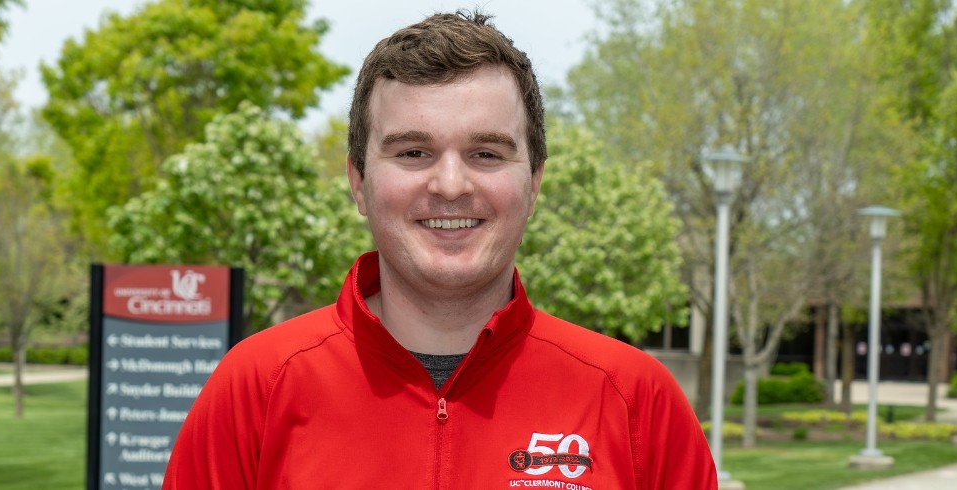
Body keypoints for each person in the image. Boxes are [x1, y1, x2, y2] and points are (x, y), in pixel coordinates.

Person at [163, 10, 716, 489]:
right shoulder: (255, 389)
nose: (451, 185)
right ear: (358, 181)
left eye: (486, 154)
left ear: (535, 182)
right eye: (412, 153)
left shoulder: (634, 399)